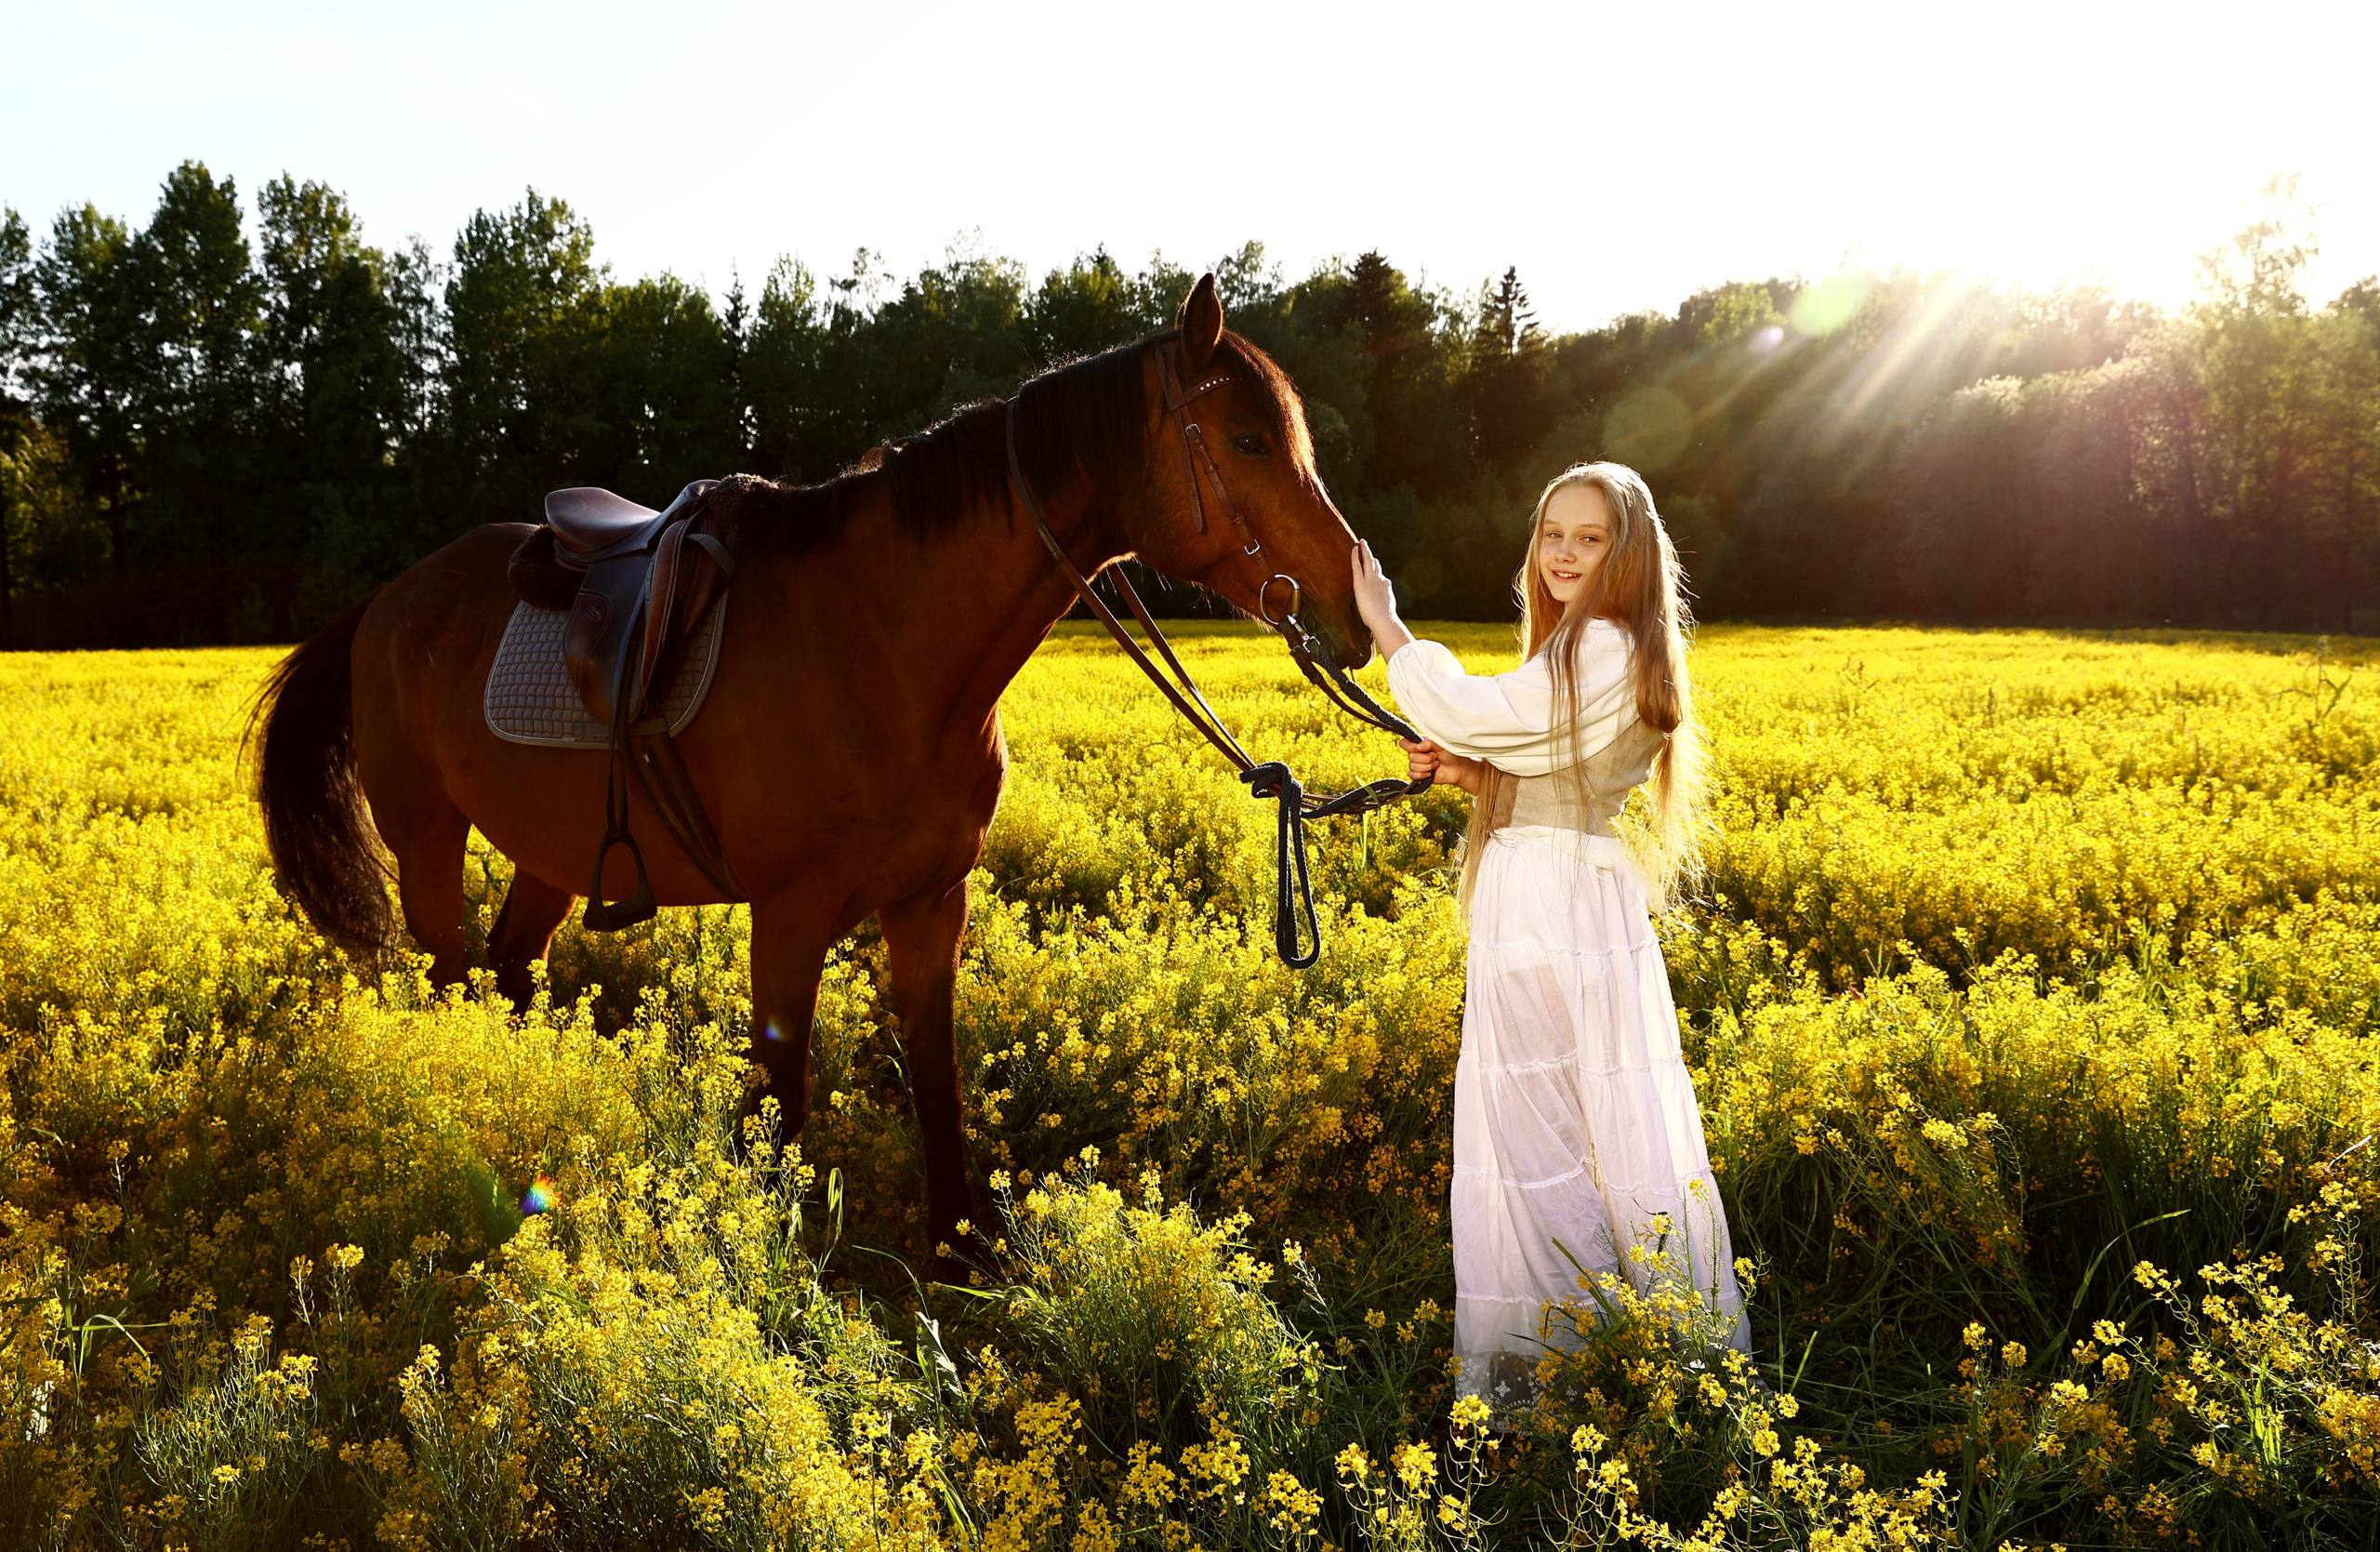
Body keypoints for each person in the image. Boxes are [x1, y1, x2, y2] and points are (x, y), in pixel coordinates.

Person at [1349, 460, 1749, 1410]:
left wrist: (1385, 622)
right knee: (1580, 1122)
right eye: (1551, 534)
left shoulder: (1599, 643)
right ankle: (1617, 1347)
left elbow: (1476, 712)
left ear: (1626, 552)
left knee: (1536, 1131)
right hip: (1568, 895)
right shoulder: (1602, 645)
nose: (1564, 553)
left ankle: (1566, 1358)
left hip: (1547, 903)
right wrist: (1466, 780)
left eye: (1589, 537)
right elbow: (1553, 776)